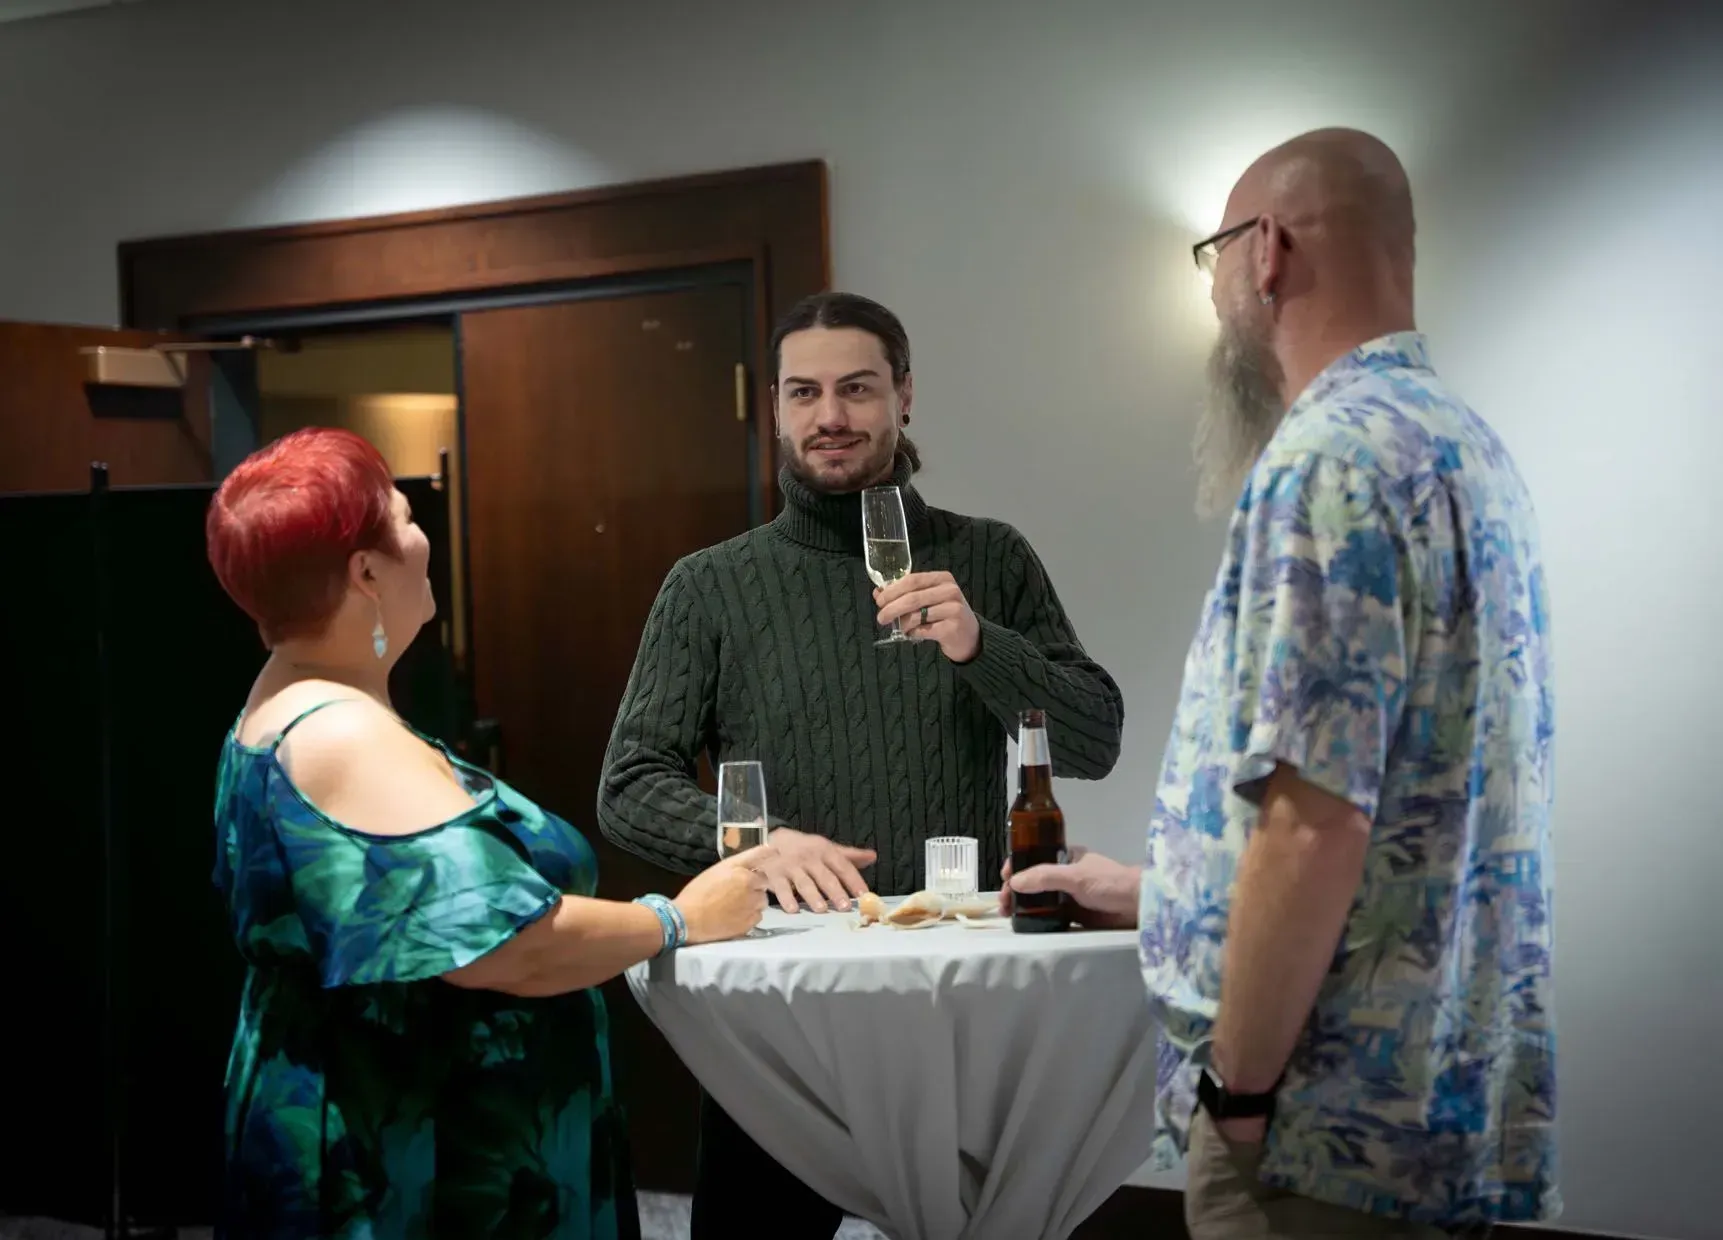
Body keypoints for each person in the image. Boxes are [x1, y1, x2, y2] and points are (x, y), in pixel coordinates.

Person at [1010, 128, 1559, 1238]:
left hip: (1319, 1129)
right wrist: (1164, 891)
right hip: (1439, 1100)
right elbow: (1408, 796)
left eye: (1212, 256)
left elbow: (1315, 823)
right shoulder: (1461, 447)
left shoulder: (1324, 463)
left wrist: (1240, 1092)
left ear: (1264, 250)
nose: (1216, 293)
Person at [597, 290, 1125, 1238]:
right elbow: (630, 786)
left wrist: (980, 646)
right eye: (804, 392)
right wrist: (757, 848)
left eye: (857, 388)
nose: (830, 415)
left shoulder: (988, 557)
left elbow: (1094, 742)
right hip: (782, 1002)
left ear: (903, 396)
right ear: (774, 407)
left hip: (955, 991)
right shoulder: (710, 585)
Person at [205, 426, 772, 1239]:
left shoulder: (291, 693)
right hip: (426, 1156)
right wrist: (678, 919)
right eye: (405, 518)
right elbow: (506, 949)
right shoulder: (342, 734)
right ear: (365, 572)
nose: (421, 538)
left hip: (381, 1113)